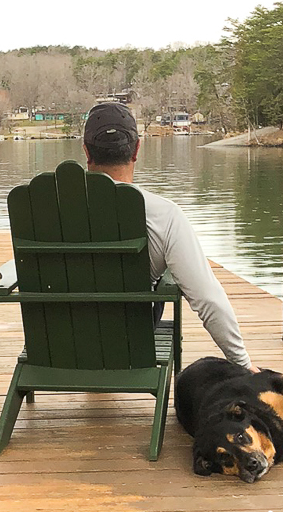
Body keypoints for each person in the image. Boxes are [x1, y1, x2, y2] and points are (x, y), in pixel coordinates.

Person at [82, 101, 254, 371]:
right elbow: (208, 299)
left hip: (56, 342)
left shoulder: (45, 208)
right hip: (130, 342)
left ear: (86, 152)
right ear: (137, 149)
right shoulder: (164, 215)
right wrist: (242, 365)